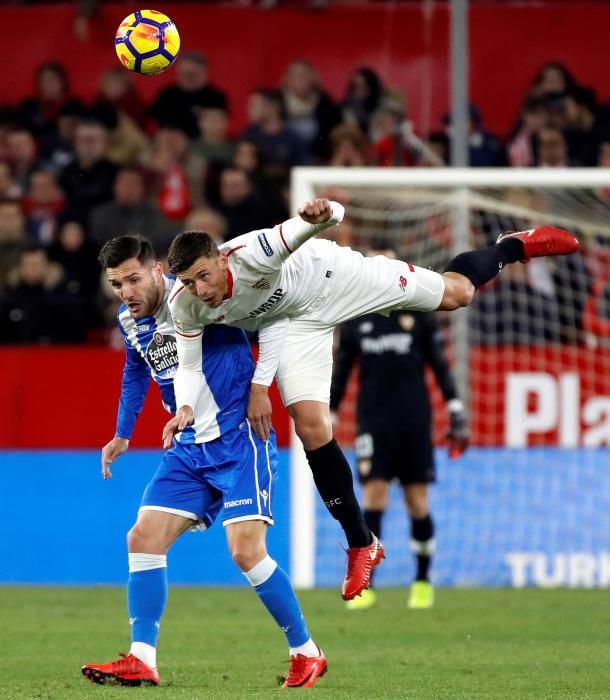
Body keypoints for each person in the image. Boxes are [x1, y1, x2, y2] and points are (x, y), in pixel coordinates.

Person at [163, 198, 580, 602]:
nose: (199, 290)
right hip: (296, 324)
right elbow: (188, 365)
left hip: (336, 278)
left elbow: (329, 220)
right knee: (311, 427)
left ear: (220, 260)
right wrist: (186, 405)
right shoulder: (186, 306)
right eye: (186, 282)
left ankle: (513, 245)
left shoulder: (257, 250)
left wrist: (324, 214)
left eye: (203, 276)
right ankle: (361, 543)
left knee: (458, 295)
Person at [81, 236, 327, 689]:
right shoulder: (130, 322)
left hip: (239, 439)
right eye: (117, 284)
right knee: (143, 537)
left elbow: (273, 316)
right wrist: (122, 432)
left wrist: (260, 386)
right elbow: (136, 369)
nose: (126, 292)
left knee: (245, 552)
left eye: (134, 279)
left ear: (157, 270)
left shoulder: (199, 293)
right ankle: (142, 658)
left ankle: (306, 652)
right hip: (190, 446)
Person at [330, 244, 469, 611]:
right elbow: (343, 369)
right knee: (374, 497)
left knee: (416, 501)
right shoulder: (356, 317)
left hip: (414, 421)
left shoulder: (419, 313)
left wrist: (454, 407)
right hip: (373, 422)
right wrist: (329, 413)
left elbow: (439, 364)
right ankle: (367, 584)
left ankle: (422, 581)